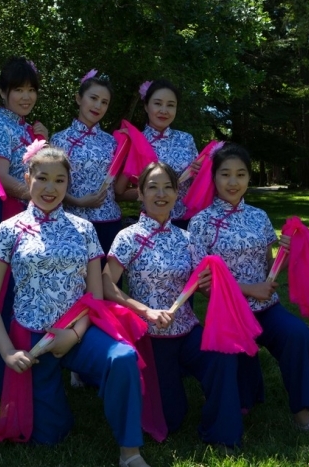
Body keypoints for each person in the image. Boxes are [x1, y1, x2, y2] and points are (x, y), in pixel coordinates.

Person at [0, 144, 150, 467]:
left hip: (78, 331)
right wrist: (8, 351)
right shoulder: (8, 230)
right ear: (27, 179)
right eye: (42, 178)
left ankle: (130, 452)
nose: (50, 188)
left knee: (123, 357)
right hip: (32, 339)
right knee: (48, 436)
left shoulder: (83, 229)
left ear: (68, 184)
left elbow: (95, 296)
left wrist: (74, 334)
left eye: (59, 180)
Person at [188, 144, 309, 439]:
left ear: (249, 178)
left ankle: (303, 415)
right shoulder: (200, 223)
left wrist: (287, 255)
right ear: (213, 177)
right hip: (228, 315)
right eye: (225, 174)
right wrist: (249, 290)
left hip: (267, 309)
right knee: (232, 379)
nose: (233, 182)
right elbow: (204, 285)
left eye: (241, 174)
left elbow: (269, 267)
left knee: (299, 335)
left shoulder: (259, 216)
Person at [102, 162, 243, 447]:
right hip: (150, 337)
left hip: (187, 330)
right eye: (153, 187)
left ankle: (221, 433)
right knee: (170, 418)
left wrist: (206, 284)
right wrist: (145, 311)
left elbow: (202, 286)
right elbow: (106, 285)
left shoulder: (187, 238)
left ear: (177, 193)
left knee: (223, 356)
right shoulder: (128, 237)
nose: (161, 194)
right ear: (140, 193)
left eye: (168, 187)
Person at [0, 57, 49, 387]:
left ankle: (25, 364)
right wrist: (42, 197)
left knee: (25, 294)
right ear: (2, 92)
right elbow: (0, 176)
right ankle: (4, 374)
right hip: (6, 216)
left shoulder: (24, 127)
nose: (26, 96)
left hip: (27, 217)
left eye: (31, 90)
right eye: (18, 89)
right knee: (6, 297)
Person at [50, 70, 121, 260]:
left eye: (104, 102)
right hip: (72, 222)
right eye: (93, 98)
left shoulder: (112, 142)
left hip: (109, 223)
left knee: (106, 277)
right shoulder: (59, 140)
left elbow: (119, 186)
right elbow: (51, 184)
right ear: (78, 98)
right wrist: (78, 201)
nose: (98, 106)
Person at [118, 79, 199, 229]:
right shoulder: (134, 141)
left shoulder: (186, 139)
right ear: (146, 106)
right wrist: (151, 191)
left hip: (186, 221)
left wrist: (199, 175)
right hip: (151, 222)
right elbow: (118, 192)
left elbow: (198, 185)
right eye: (157, 103)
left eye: (170, 105)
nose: (164, 110)